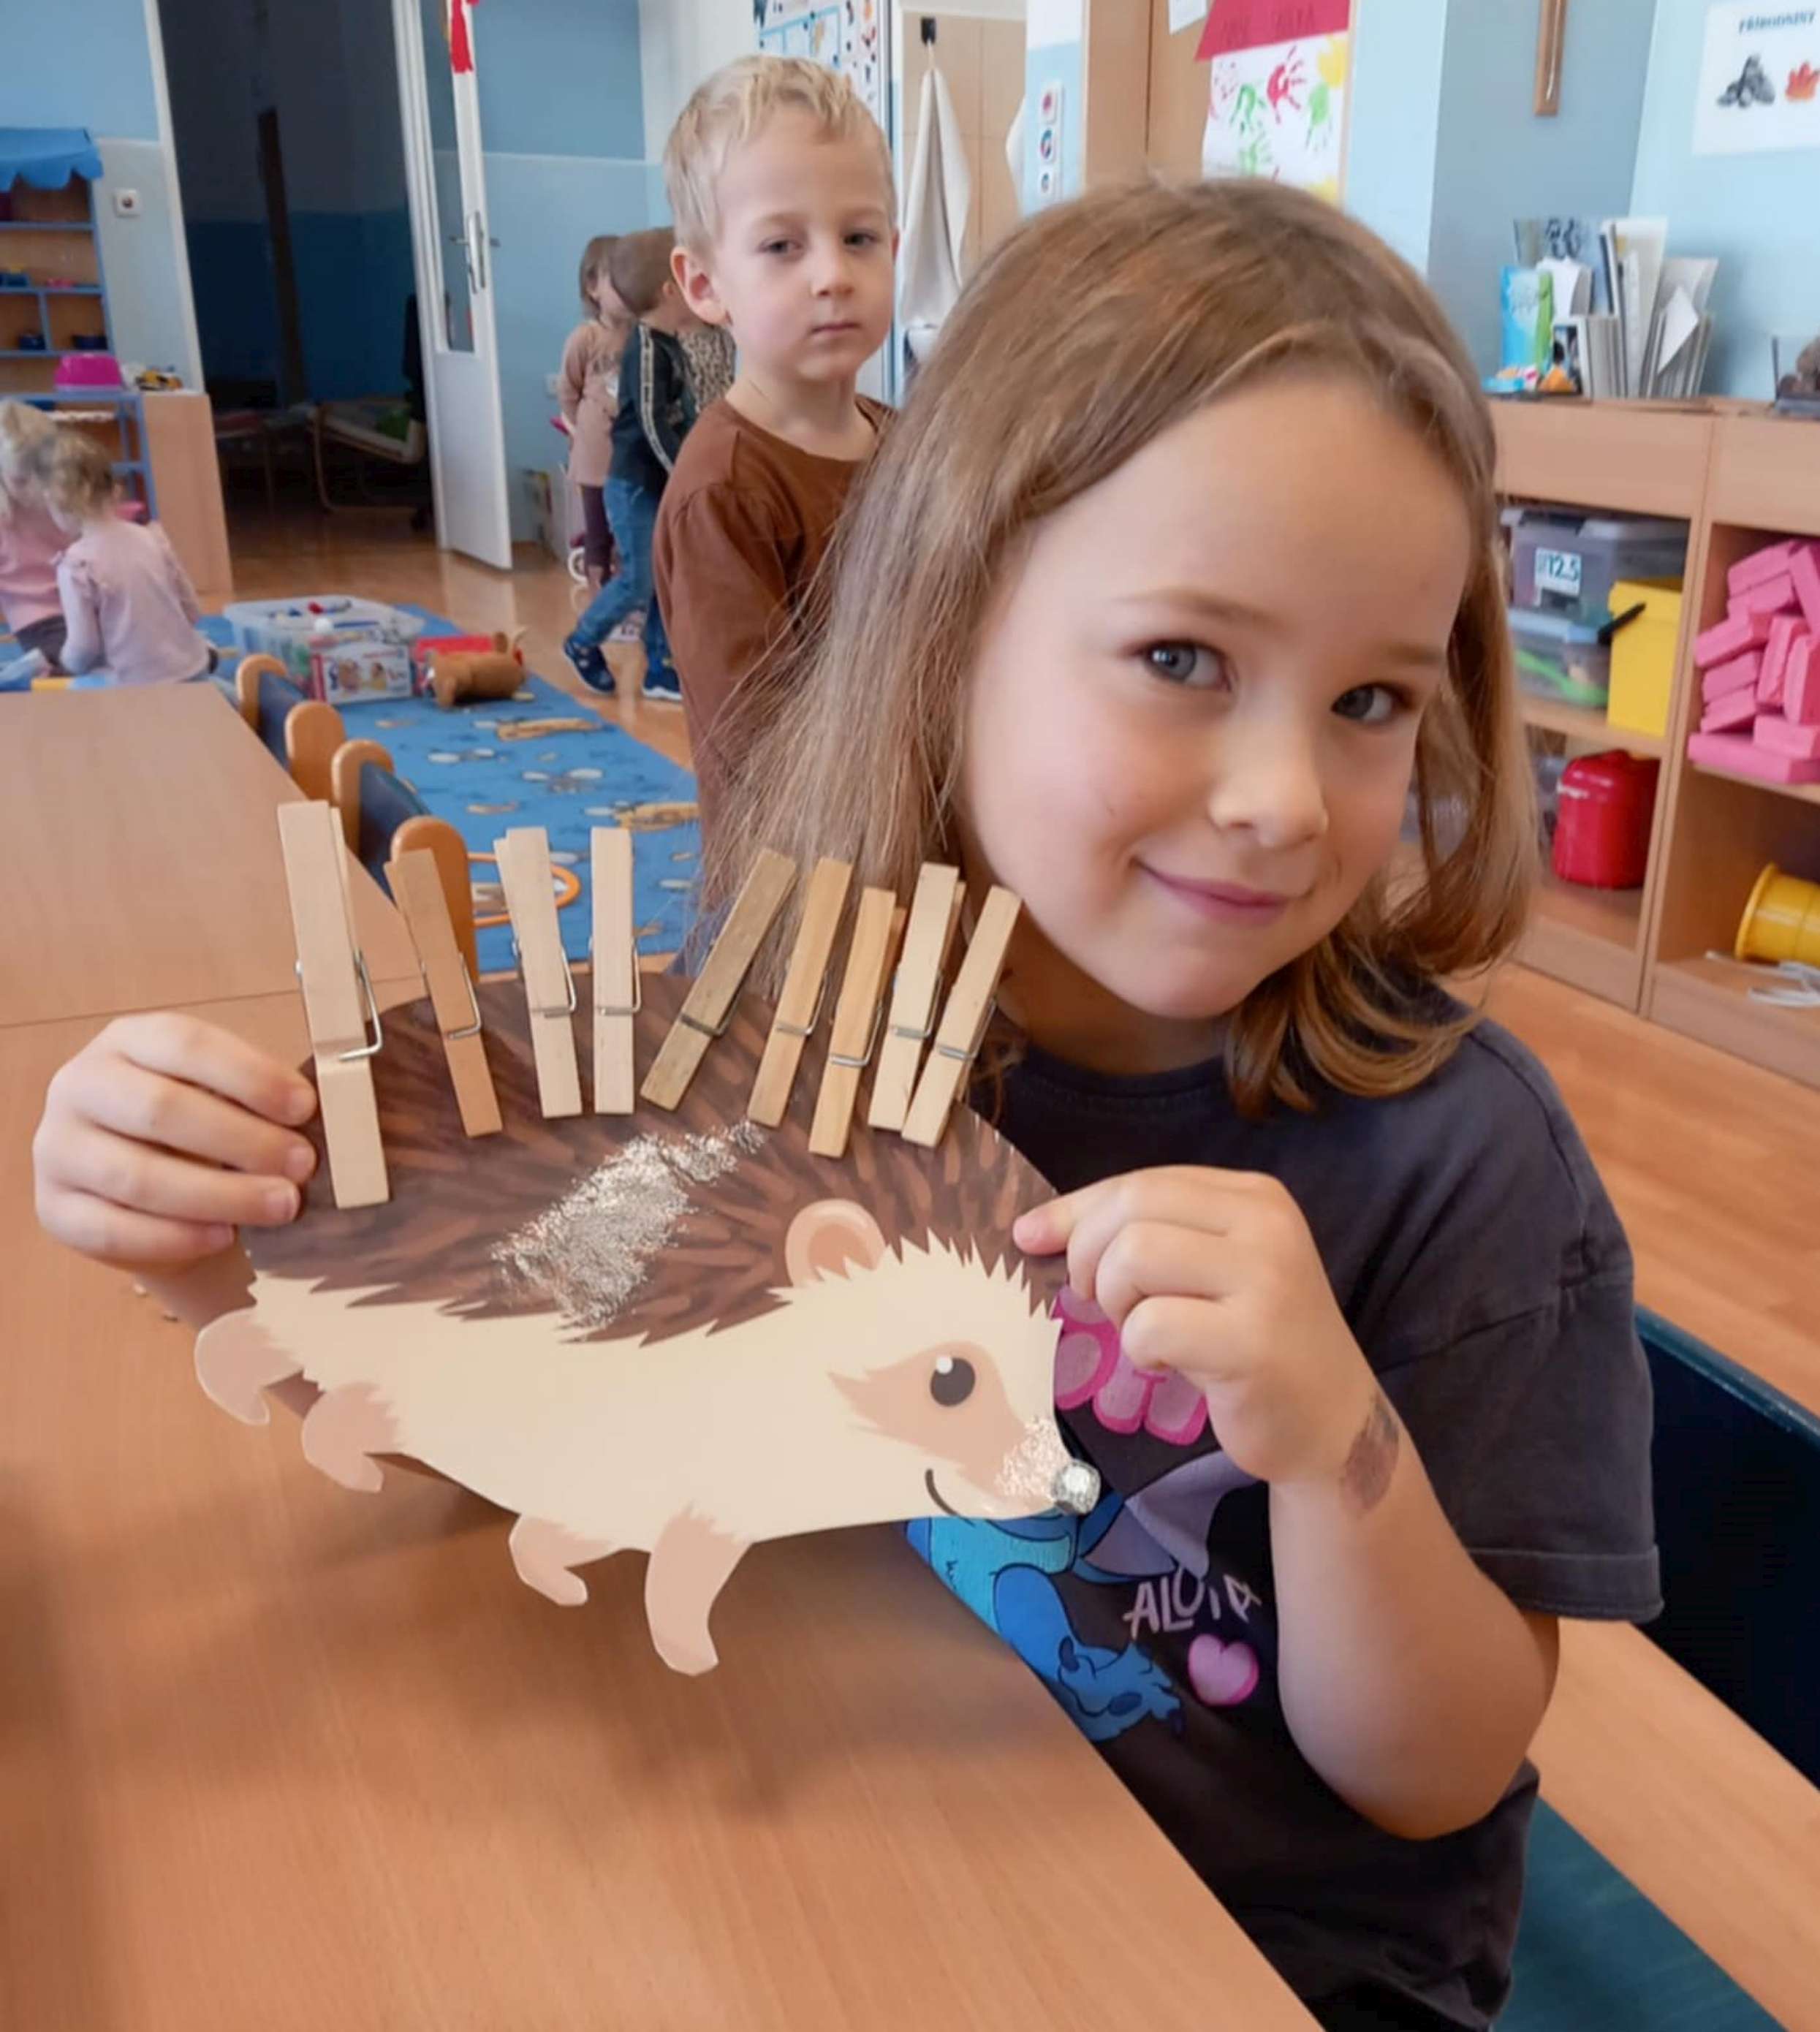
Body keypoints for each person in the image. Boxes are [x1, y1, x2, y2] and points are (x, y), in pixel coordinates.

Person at [30, 182, 1657, 2031]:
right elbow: (534, 1405)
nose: (1285, 795)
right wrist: (217, 1251)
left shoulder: (1459, 1163)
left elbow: (1437, 1777)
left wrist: (1333, 1441)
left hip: (1270, 1957)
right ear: (950, 630)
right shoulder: (808, 1021)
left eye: (1369, 700)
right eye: (1183, 661)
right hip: (872, 1825)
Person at [652, 54, 897, 842]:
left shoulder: (913, 447)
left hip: (922, 843)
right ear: (704, 284)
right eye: (783, 246)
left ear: (895, 248)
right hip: (802, 869)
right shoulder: (723, 492)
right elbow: (761, 743)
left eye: (859, 237)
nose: (833, 274)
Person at [562, 227, 699, 703]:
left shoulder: (671, 343)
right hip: (634, 483)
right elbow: (651, 421)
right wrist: (683, 469)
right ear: (669, 290)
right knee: (639, 578)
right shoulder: (645, 347)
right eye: (691, 281)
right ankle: (583, 641)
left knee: (664, 574)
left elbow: (684, 414)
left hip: (658, 481)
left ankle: (660, 667)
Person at [34, 428, 213, 686]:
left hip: (135, 688)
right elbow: (192, 610)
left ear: (52, 501)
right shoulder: (153, 537)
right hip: (193, 671)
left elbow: (83, 650)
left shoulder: (76, 566)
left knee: (73, 694)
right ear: (114, 490)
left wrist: (63, 663)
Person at [557, 233, 632, 586]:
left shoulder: (641, 336)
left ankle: (627, 598)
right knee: (598, 534)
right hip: (595, 458)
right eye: (615, 279)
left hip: (630, 458)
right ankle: (599, 602)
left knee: (631, 533)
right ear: (592, 288)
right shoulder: (585, 338)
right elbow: (568, 390)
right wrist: (581, 430)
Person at [0, 398, 70, 673]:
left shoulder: (61, 499)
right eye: (21, 480)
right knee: (72, 660)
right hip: (41, 619)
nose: (35, 488)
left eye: (43, 475)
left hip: (88, 604)